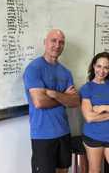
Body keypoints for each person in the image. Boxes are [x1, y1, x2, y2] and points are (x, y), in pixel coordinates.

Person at [23, 29, 80, 173]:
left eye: (61, 42)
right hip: (42, 134)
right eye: (53, 41)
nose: (57, 45)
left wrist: (54, 94)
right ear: (45, 43)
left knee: (63, 170)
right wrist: (64, 97)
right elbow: (39, 102)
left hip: (63, 131)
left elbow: (74, 102)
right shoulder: (34, 68)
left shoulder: (66, 72)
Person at [79, 52, 109, 173]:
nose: (102, 71)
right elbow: (89, 117)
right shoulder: (87, 88)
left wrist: (103, 107)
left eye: (106, 67)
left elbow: (94, 114)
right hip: (94, 136)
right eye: (99, 66)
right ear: (94, 66)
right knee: (95, 170)